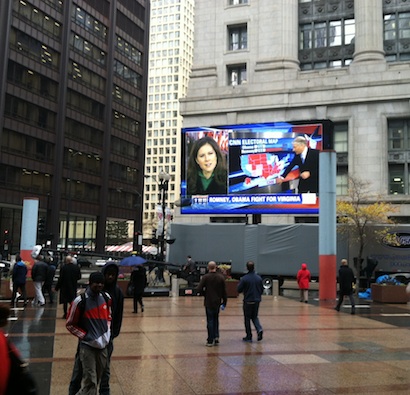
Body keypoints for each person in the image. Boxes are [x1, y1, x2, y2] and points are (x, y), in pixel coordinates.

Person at [69, 262, 124, 395]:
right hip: (87, 341)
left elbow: (114, 315)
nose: (110, 277)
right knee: (81, 371)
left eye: (113, 275)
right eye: (108, 275)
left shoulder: (112, 295)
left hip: (105, 340)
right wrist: (85, 336)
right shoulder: (84, 299)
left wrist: (110, 333)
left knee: (104, 372)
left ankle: (103, 392)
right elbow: (71, 323)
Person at [66, 272, 112, 395]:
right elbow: (70, 324)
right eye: (97, 283)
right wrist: (85, 336)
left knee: (96, 380)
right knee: (91, 382)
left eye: (101, 283)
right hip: (88, 347)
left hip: (102, 347)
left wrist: (107, 333)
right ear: (90, 283)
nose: (99, 285)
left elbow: (108, 316)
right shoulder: (80, 301)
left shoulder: (106, 298)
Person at [196, 261, 227, 347]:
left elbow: (198, 289)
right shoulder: (221, 277)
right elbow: (224, 292)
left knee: (210, 320)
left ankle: (210, 339)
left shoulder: (206, 277)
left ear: (208, 267)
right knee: (216, 319)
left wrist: (204, 293)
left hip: (208, 302)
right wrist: (224, 302)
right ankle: (216, 336)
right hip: (217, 302)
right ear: (216, 267)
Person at [237, 261, 264, 342]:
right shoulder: (259, 278)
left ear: (246, 268)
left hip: (248, 300)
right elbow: (261, 290)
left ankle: (249, 336)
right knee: (255, 316)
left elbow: (239, 289)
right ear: (254, 267)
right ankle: (259, 329)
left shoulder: (244, 278)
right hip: (257, 300)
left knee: (247, 318)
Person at [55, 255, 81, 319]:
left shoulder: (63, 268)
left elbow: (60, 278)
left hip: (64, 286)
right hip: (73, 285)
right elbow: (79, 277)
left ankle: (65, 313)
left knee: (65, 301)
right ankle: (72, 313)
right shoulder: (76, 267)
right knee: (72, 300)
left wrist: (57, 287)